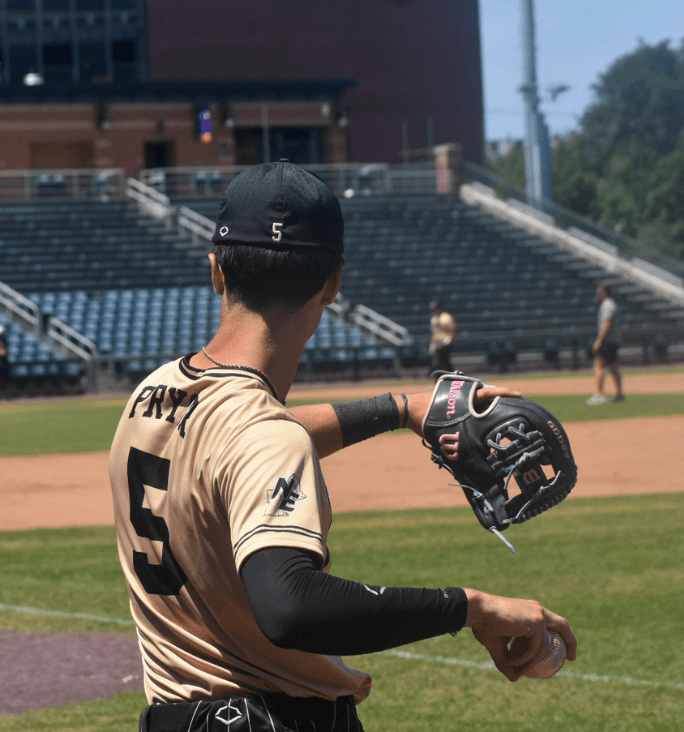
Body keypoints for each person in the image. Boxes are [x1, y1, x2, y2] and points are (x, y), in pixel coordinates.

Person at [109, 160, 577, 732]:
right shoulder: (262, 434)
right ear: (333, 284)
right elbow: (290, 606)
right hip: (269, 720)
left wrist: (402, 409)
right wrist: (470, 607)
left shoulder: (153, 394)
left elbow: (243, 442)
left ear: (216, 272)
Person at [588, 283, 624, 405]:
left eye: (599, 291)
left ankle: (600, 394)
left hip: (607, 341)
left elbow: (607, 323)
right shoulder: (611, 304)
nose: (597, 293)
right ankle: (619, 394)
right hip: (613, 341)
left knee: (598, 365)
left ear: (604, 292)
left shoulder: (607, 305)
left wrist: (599, 340)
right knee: (613, 367)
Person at [428, 300, 456, 372]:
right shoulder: (433, 319)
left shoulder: (446, 317)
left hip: (445, 342)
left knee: (441, 361)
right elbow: (434, 333)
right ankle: (442, 376)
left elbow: (452, 330)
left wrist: (448, 340)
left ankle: (444, 375)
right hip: (437, 343)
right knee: (441, 361)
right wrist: (433, 344)